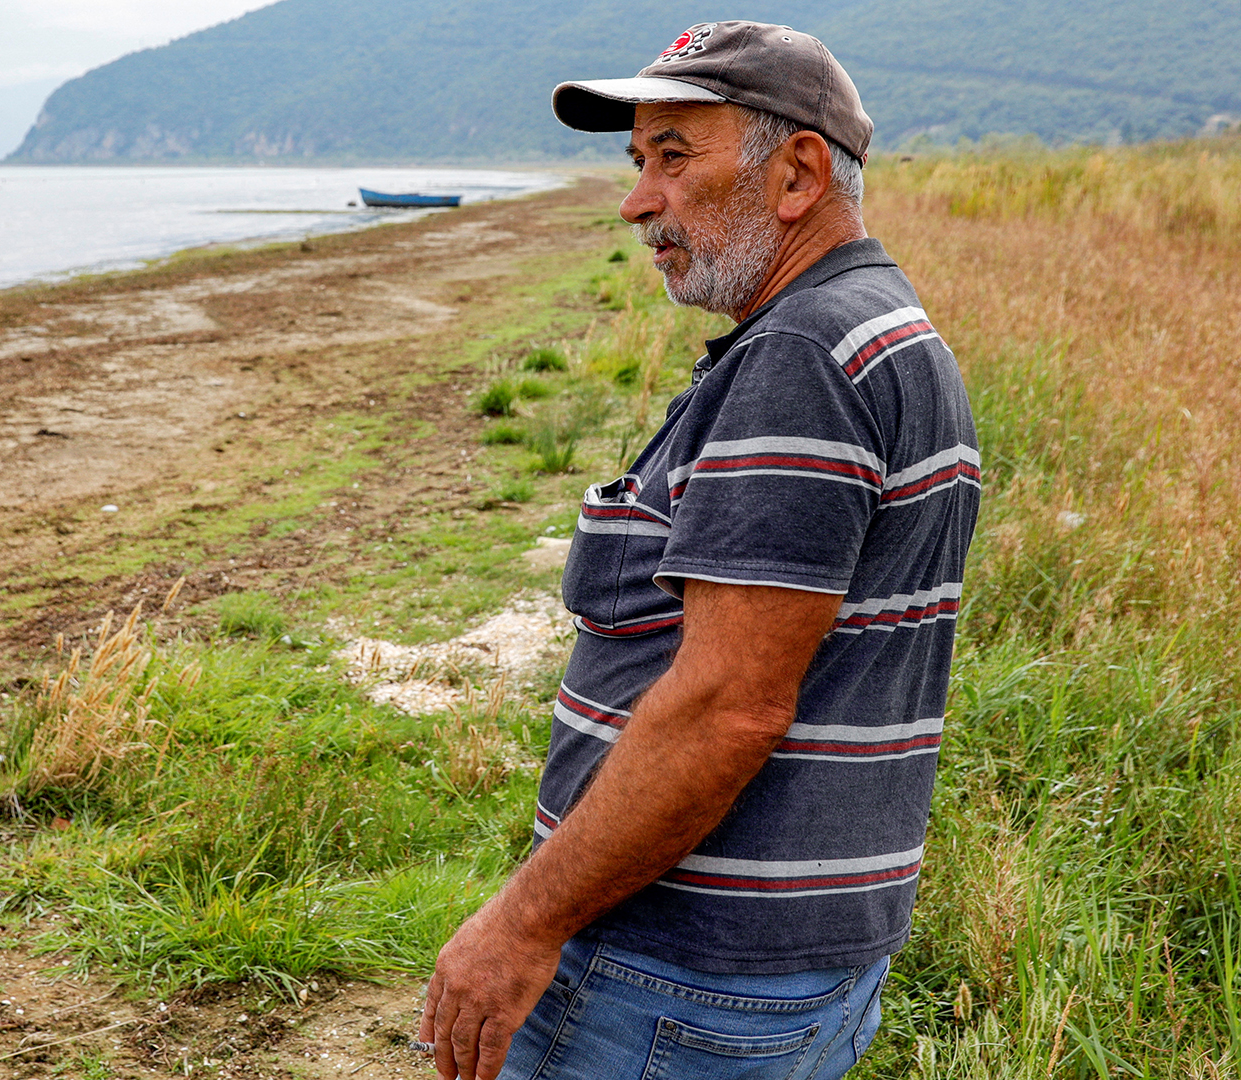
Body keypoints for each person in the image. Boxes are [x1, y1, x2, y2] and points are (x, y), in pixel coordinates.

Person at [418, 21, 981, 1080]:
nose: (638, 202)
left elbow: (730, 702)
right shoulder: (877, 326)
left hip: (673, 983)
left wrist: (522, 925)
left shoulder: (802, 356)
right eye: (639, 163)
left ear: (799, 174)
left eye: (675, 157)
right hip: (776, 974)